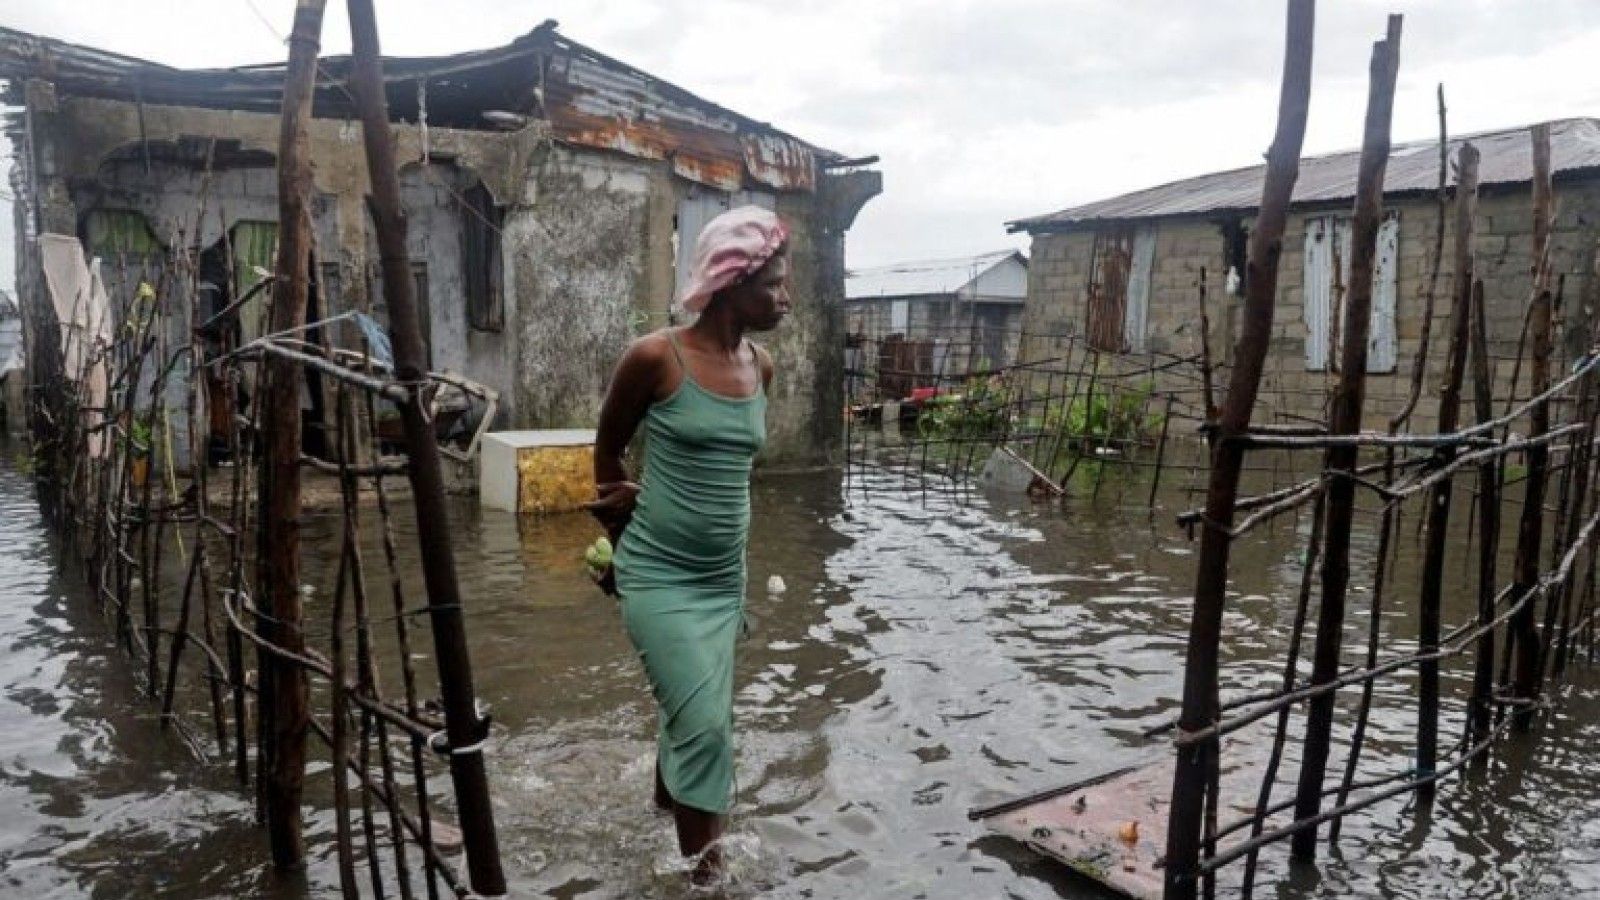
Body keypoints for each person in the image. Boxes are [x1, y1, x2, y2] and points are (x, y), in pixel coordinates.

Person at [587, 205, 790, 882]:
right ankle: (708, 881)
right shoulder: (656, 357)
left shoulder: (761, 367)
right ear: (733, 282)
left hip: (721, 578)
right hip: (658, 574)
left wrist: (660, 495)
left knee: (695, 707)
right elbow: (608, 452)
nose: (784, 298)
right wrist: (620, 540)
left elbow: (722, 477)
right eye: (774, 286)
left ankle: (661, 805)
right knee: (705, 725)